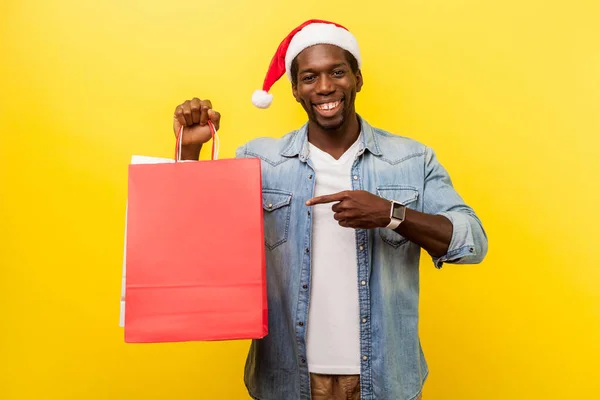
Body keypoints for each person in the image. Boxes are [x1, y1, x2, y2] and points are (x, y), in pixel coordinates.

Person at [171, 19, 488, 400]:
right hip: (287, 381)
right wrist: (190, 152)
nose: (324, 87)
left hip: (386, 381)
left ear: (357, 78)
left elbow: (472, 242)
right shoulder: (261, 161)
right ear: (295, 90)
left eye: (337, 72)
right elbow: (201, 243)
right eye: (309, 77)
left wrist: (391, 213)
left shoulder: (411, 159)